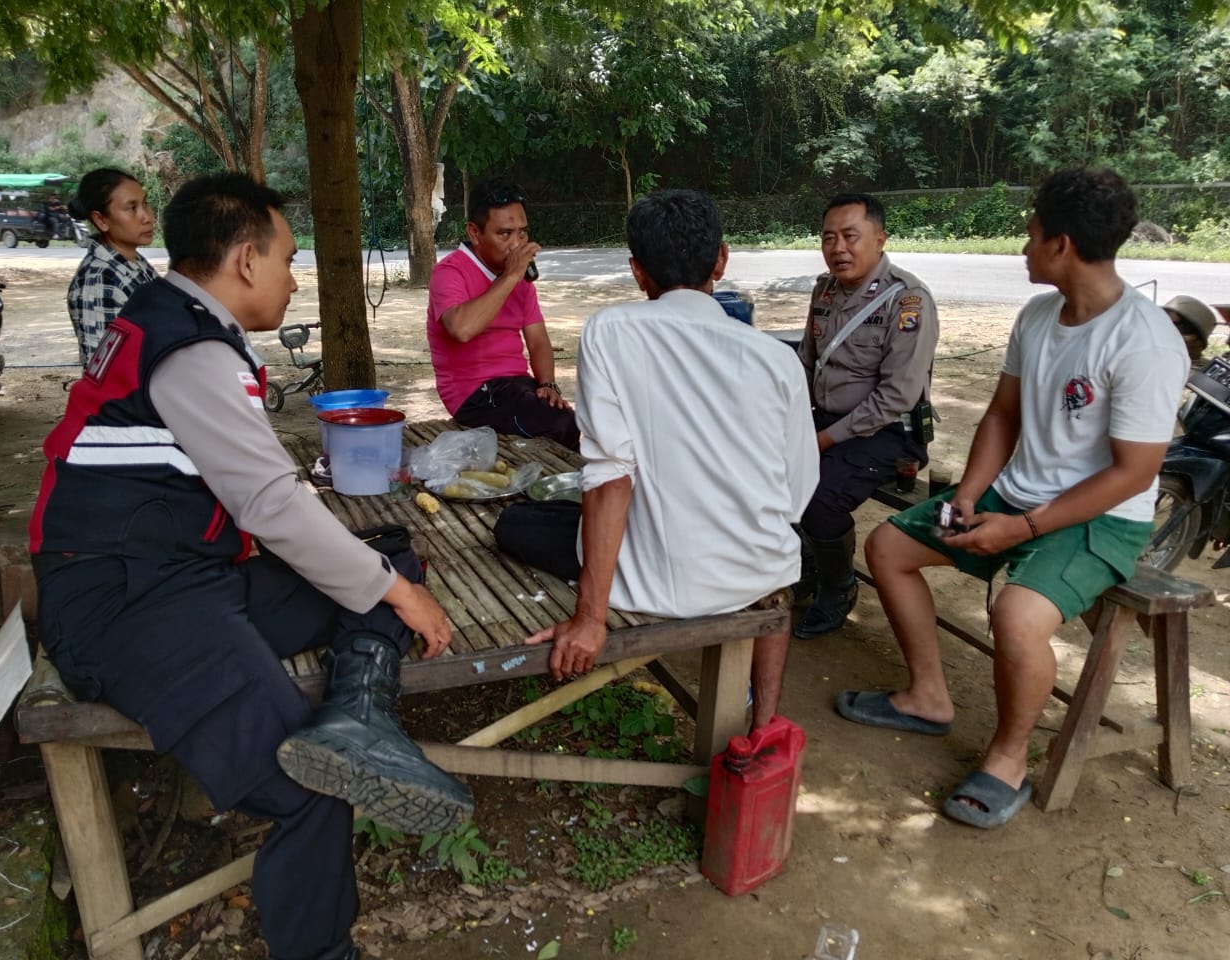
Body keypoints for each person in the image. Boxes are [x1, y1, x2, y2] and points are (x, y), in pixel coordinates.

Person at [30, 173, 472, 960]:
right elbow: (270, 505)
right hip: (127, 603)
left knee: (386, 556)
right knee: (312, 788)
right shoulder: (191, 346)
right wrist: (401, 594)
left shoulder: (169, 317)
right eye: (289, 259)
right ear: (243, 261)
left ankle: (357, 722)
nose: (295, 277)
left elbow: (260, 497)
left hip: (185, 571)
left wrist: (389, 581)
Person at [845, 167, 1189, 829]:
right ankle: (927, 696)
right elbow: (1002, 415)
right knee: (888, 547)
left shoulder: (1143, 341)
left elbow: (1133, 474)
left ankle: (1007, 759)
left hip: (1103, 518)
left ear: (1061, 245)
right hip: (1017, 494)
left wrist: (1022, 528)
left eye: (1030, 235)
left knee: (1017, 618)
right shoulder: (1038, 316)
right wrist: (973, 496)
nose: (1022, 248)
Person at [493, 189, 818, 728]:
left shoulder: (611, 331)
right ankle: (764, 727)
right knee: (770, 560)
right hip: (759, 570)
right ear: (721, 260)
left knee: (517, 522)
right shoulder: (776, 361)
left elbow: (610, 476)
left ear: (637, 271)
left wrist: (589, 618)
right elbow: (799, 490)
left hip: (661, 582)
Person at [794, 193, 939, 638]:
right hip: (828, 421)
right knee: (768, 471)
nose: (838, 248)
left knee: (820, 496)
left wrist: (823, 439)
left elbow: (897, 396)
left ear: (879, 239)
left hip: (889, 432)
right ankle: (810, 565)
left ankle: (840, 586)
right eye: (828, 238)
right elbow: (806, 361)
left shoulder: (907, 300)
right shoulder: (824, 290)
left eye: (850, 236)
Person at [426, 177, 579, 450]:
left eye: (522, 233)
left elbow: (538, 340)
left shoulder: (519, 277)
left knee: (581, 421)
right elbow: (461, 329)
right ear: (474, 233)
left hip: (516, 385)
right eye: (505, 234)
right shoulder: (450, 272)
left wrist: (548, 385)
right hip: (473, 393)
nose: (517, 243)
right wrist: (509, 277)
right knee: (562, 425)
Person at [66, 168, 158, 367]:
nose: (147, 217)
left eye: (145, 204)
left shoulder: (136, 264)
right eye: (131, 208)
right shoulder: (99, 281)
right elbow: (105, 373)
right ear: (101, 220)